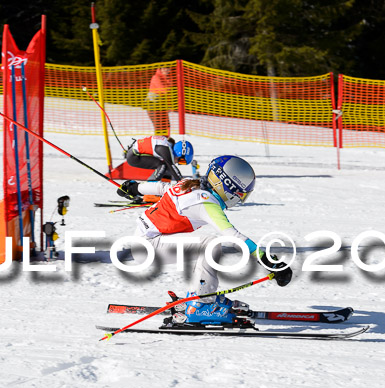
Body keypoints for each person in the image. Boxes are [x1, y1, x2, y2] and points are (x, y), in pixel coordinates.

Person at [117, 155, 293, 327]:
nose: (239, 199)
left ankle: (200, 296)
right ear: (228, 187)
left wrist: (134, 187)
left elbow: (162, 187)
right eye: (240, 194)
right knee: (210, 244)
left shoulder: (190, 184)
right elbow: (233, 236)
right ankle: (202, 304)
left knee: (206, 245)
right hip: (149, 247)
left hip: (144, 240)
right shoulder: (206, 203)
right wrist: (268, 261)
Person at [121, 136, 194, 183]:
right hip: (134, 157)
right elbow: (172, 166)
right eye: (181, 161)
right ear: (179, 153)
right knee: (162, 165)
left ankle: (164, 188)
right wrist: (181, 182)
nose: (178, 163)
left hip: (134, 153)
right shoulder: (165, 149)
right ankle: (150, 192)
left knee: (166, 165)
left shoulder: (167, 145)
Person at [146, 67, 172, 136]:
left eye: (168, 68)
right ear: (160, 69)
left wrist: (169, 105)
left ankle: (167, 141)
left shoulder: (168, 79)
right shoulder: (156, 77)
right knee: (159, 127)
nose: (166, 70)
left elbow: (168, 94)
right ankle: (158, 143)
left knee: (167, 126)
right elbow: (164, 90)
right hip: (152, 105)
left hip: (162, 105)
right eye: (164, 68)